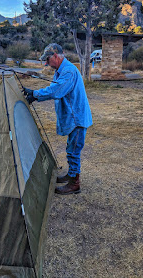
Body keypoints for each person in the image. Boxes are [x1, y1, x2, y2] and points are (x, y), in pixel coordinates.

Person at [23, 43, 92, 195]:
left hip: (78, 119)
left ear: (55, 56)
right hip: (74, 118)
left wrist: (35, 94)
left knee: (73, 151)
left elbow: (57, 90)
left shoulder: (68, 71)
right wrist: (36, 97)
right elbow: (56, 89)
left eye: (47, 60)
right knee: (70, 148)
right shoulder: (61, 71)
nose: (46, 64)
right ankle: (71, 174)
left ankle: (75, 184)